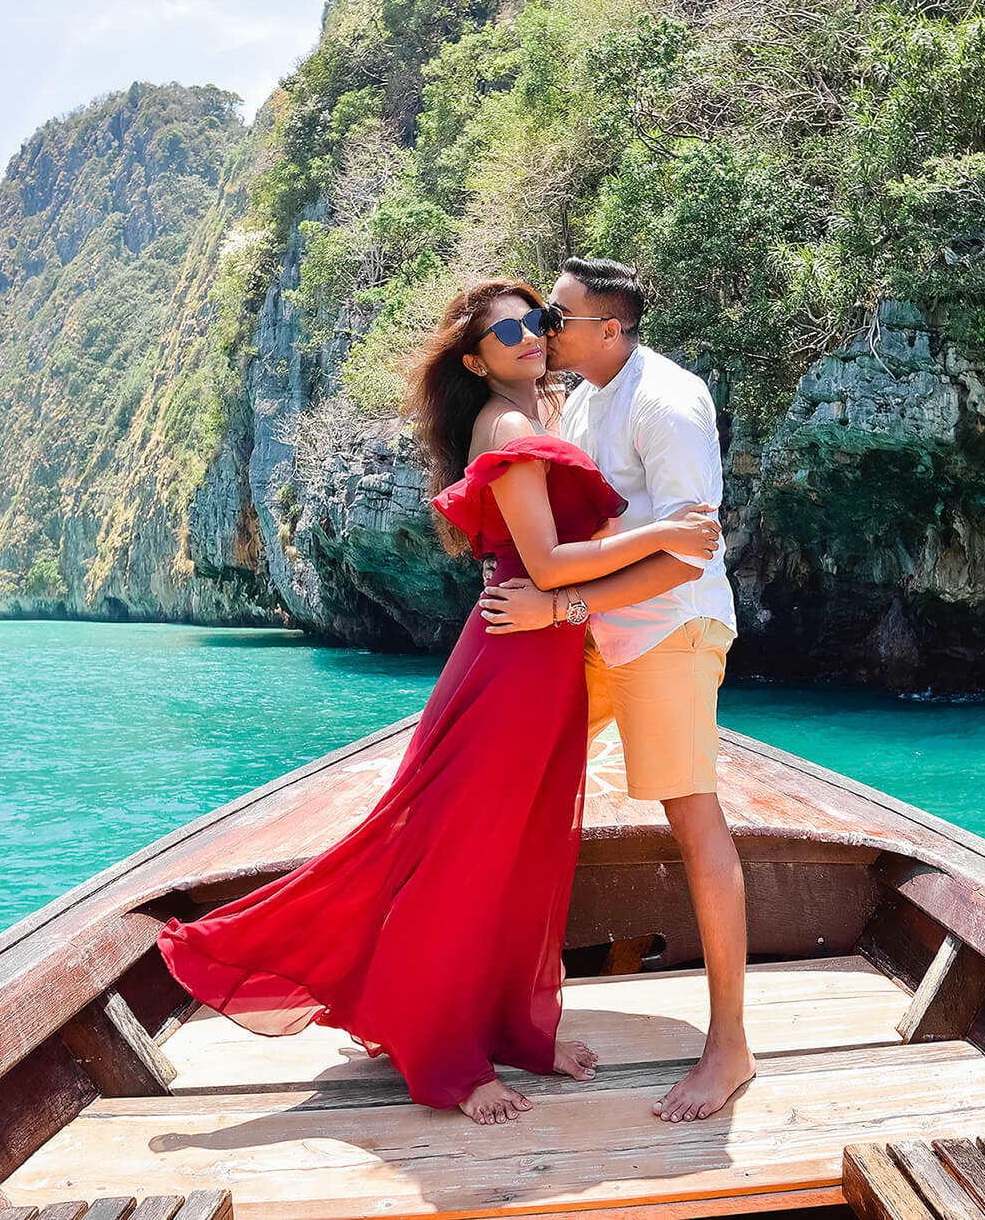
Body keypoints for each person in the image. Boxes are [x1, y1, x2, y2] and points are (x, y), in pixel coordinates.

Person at [156, 278, 722, 1125]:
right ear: (475, 358)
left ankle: (512, 1030)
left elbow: (574, 545)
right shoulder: (507, 426)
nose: (534, 336)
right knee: (468, 853)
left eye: (541, 320)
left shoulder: (551, 412)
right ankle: (447, 1057)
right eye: (512, 332)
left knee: (522, 854)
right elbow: (554, 560)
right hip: (518, 655)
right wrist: (670, 536)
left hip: (546, 655)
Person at [479, 257, 755, 1123]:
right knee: (500, 786)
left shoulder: (667, 404)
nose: (544, 331)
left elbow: (687, 552)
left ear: (609, 329)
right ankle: (480, 998)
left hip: (667, 632)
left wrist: (559, 607)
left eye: (555, 318)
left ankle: (731, 1049)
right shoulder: (586, 392)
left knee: (693, 817)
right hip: (594, 633)